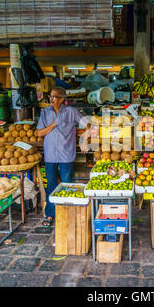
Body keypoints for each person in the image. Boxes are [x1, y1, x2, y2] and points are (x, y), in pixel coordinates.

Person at [37, 87, 91, 227]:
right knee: (51, 185)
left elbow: (88, 124)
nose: (51, 99)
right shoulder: (45, 112)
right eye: (50, 96)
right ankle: (50, 214)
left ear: (62, 99)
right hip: (50, 154)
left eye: (54, 96)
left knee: (68, 183)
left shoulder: (71, 111)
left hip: (66, 153)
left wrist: (84, 139)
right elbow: (39, 133)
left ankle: (68, 211)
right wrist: (53, 125)